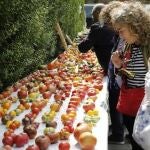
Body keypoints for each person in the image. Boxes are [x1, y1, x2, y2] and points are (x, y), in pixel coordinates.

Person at [111, 2, 150, 150]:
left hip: (145, 105)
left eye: (122, 31)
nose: (119, 35)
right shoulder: (126, 44)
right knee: (136, 141)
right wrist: (118, 65)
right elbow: (127, 75)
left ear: (135, 26)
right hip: (131, 104)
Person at [99, 1, 126, 144]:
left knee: (117, 106)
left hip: (120, 79)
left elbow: (125, 61)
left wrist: (117, 65)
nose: (110, 27)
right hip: (116, 77)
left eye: (110, 23)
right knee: (116, 105)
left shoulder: (125, 36)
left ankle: (118, 135)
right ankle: (121, 131)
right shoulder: (119, 35)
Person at [78, 3, 115, 74]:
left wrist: (83, 39)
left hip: (109, 67)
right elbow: (105, 43)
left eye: (93, 14)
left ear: (98, 13)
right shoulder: (113, 24)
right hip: (117, 65)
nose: (92, 17)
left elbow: (82, 48)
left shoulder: (97, 27)